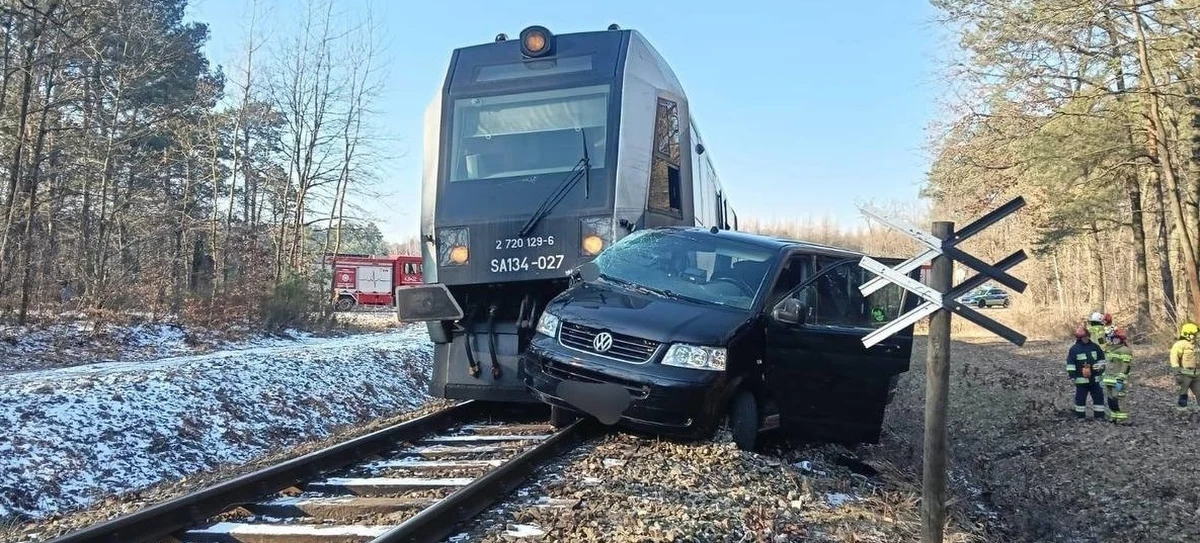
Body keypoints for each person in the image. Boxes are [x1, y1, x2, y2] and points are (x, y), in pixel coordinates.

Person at [1067, 324, 1107, 420]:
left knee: (1098, 397)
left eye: (1087, 336)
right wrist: (1072, 376)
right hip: (1081, 379)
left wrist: (1101, 367)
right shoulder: (1074, 349)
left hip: (1095, 378)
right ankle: (1080, 416)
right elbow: (1070, 364)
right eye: (1084, 337)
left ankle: (1099, 416)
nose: (1086, 338)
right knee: (1080, 399)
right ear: (1079, 338)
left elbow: (1102, 358)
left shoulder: (1095, 347)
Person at [1100, 328, 1133, 424]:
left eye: (1117, 339)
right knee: (1111, 399)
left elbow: (1126, 366)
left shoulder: (1125, 350)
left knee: (1119, 398)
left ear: (1121, 340)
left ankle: (1122, 418)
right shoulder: (1110, 349)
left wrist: (1121, 378)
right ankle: (1114, 416)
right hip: (1109, 379)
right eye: (1114, 339)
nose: (1115, 340)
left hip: (1118, 379)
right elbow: (1107, 364)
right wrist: (1103, 377)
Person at [1169, 322, 1200, 415]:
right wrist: (1177, 373)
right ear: (1186, 334)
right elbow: (1174, 359)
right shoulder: (1180, 345)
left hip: (1197, 374)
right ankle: (1182, 412)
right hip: (1185, 374)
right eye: (1193, 334)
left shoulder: (1196, 344)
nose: (1195, 336)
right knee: (1183, 394)